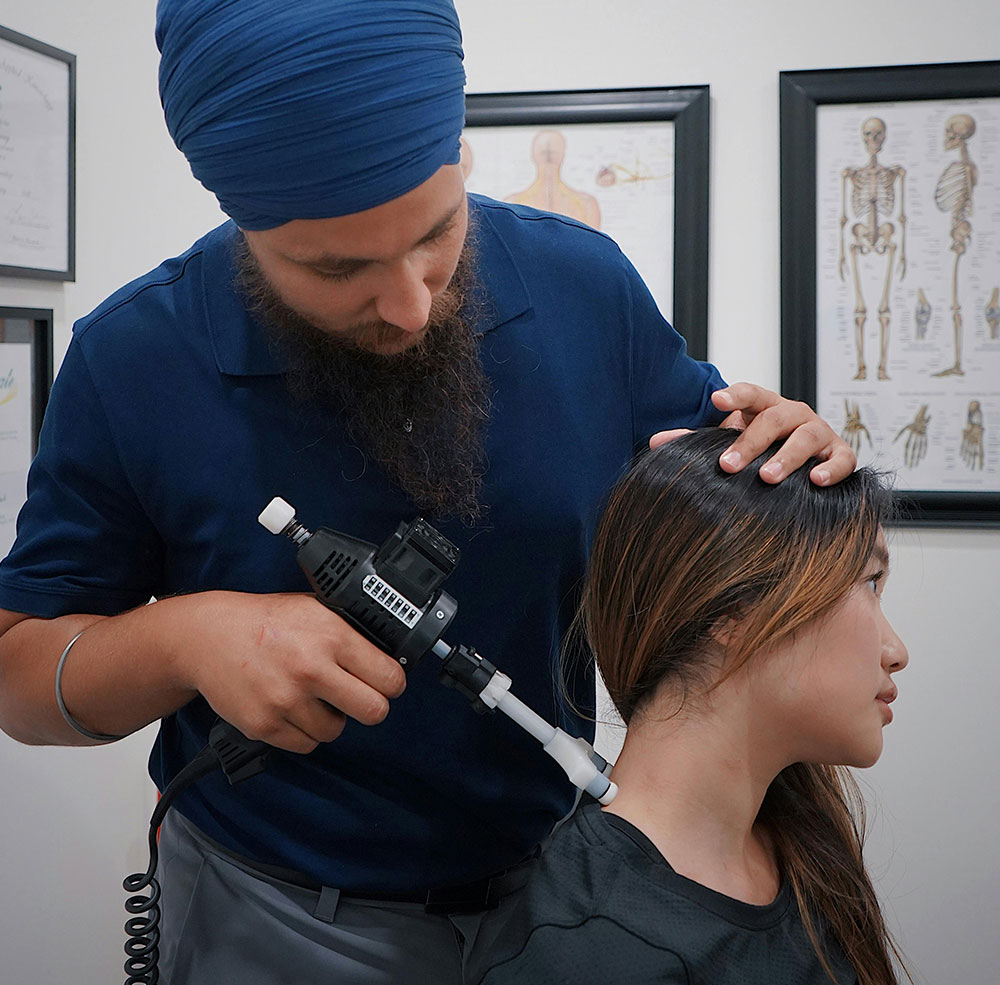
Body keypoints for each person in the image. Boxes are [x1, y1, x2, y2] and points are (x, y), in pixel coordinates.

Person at [0, 2, 856, 982]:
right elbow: (18, 675)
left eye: (438, 231)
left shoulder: (584, 286)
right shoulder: (133, 360)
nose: (410, 305)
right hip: (275, 915)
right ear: (246, 225)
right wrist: (187, 638)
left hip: (567, 887)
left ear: (460, 152)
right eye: (338, 268)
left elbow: (718, 484)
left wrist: (790, 450)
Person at [472, 427, 910, 985]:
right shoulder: (588, 949)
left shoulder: (804, 856)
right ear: (734, 607)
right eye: (869, 583)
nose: (897, 651)